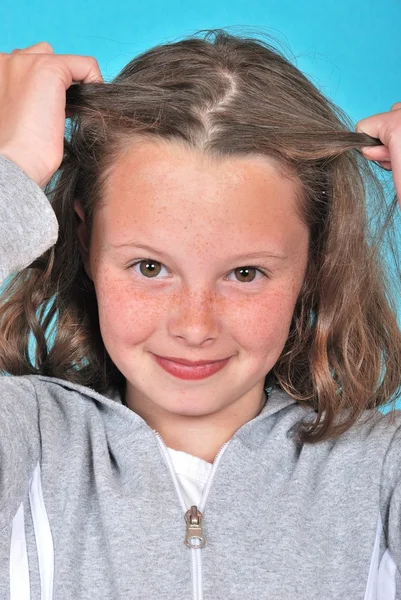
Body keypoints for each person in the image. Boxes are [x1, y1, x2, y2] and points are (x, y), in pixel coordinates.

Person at [0, 28, 400, 600]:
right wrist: (11, 173)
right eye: (149, 267)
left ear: (314, 263)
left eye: (245, 274)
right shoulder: (24, 446)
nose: (194, 326)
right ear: (86, 241)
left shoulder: (382, 474)